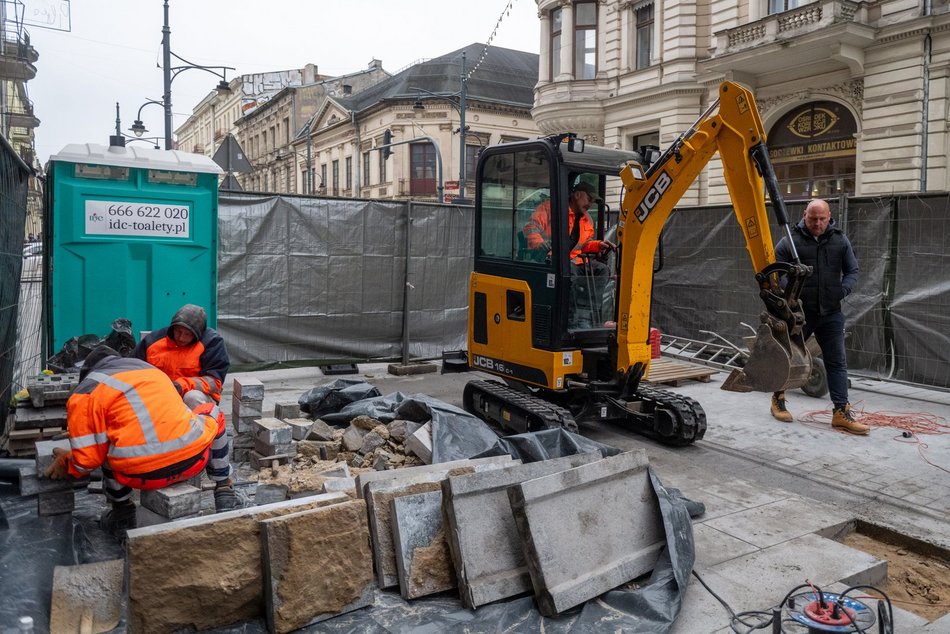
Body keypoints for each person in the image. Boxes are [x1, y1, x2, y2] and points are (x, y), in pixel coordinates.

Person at [44, 345, 239, 535]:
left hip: (139, 477)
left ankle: (122, 513)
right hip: (194, 462)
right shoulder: (151, 371)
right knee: (213, 412)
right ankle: (224, 489)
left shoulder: (86, 392)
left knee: (106, 446)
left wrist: (67, 463)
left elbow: (87, 461)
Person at [770, 198, 867, 435]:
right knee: (788, 356)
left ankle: (840, 412)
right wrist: (790, 294)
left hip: (831, 312)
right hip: (800, 313)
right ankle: (778, 399)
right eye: (813, 218)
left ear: (829, 216)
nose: (818, 223)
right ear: (805, 215)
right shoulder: (789, 242)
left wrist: (843, 290)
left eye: (822, 218)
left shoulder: (839, 240)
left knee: (836, 361)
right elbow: (777, 270)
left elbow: (852, 270)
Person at [524, 180, 615, 328]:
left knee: (602, 270)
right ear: (577, 194)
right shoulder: (550, 208)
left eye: (593, 201)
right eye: (589, 199)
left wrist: (598, 245)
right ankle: (570, 320)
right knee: (568, 273)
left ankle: (586, 316)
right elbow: (531, 228)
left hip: (576, 261)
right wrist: (541, 245)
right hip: (552, 260)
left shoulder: (587, 219)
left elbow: (584, 245)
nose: (590, 204)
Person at [132, 304, 229, 406]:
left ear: (198, 333)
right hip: (159, 394)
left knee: (192, 397)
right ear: (172, 328)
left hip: (197, 396)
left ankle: (200, 422)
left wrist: (181, 386)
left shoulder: (212, 342)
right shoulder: (152, 341)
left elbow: (214, 382)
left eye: (188, 334)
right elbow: (132, 370)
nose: (181, 338)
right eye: (178, 331)